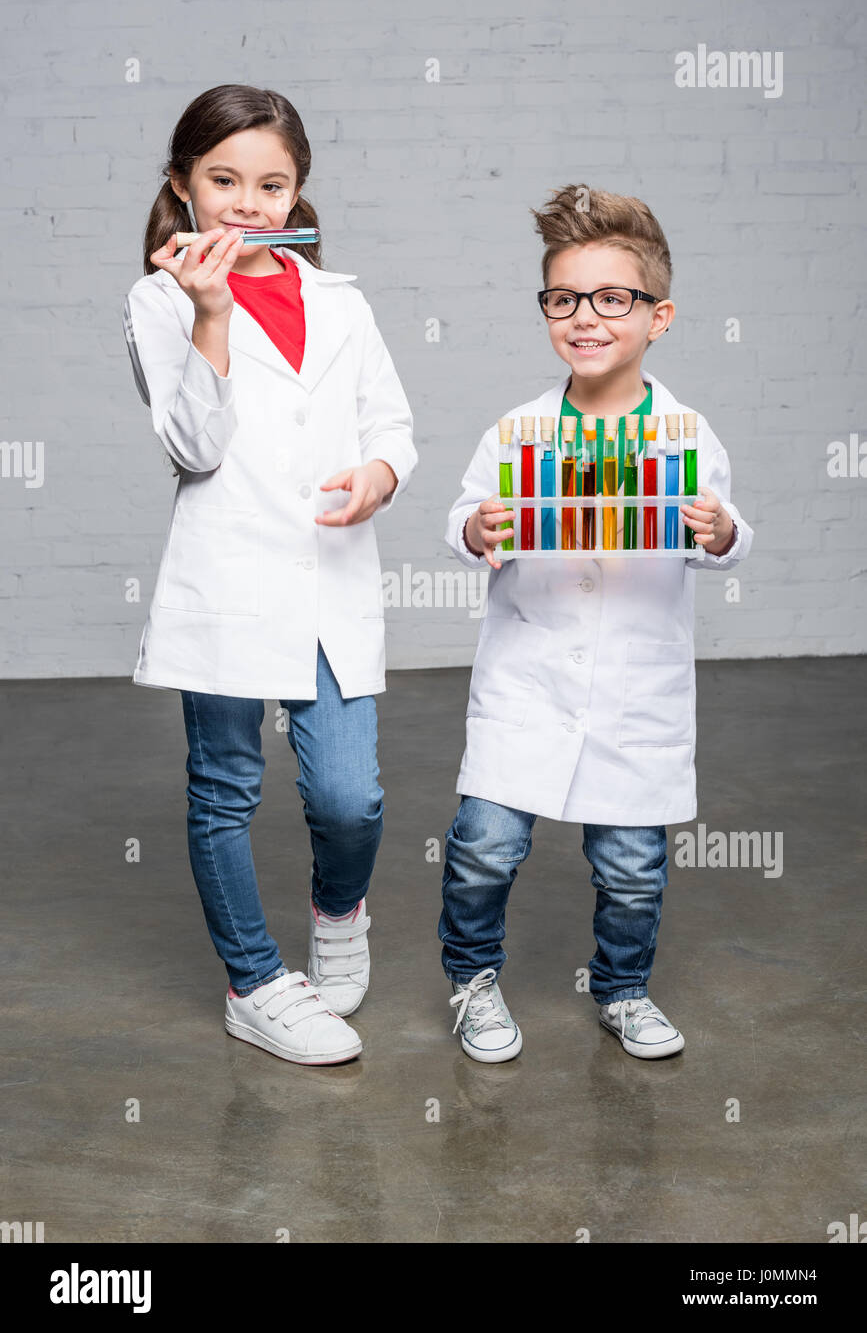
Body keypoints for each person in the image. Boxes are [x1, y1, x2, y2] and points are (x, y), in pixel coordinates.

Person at [121, 84, 417, 1066]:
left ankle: (339, 910)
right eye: (224, 180)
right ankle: (254, 982)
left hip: (331, 574)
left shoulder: (341, 298)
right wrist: (211, 310)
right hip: (229, 582)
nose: (248, 202)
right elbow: (195, 448)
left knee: (350, 798)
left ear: (297, 196)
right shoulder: (158, 301)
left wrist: (379, 473)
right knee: (225, 789)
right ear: (183, 184)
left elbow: (391, 424)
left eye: (272, 183)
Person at [441, 184, 754, 1063]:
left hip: (634, 693)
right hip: (526, 684)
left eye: (611, 300)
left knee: (630, 869)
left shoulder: (686, 432)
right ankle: (471, 980)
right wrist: (477, 529)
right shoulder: (518, 431)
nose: (584, 319)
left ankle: (621, 990)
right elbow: (464, 520)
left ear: (658, 317)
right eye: (563, 300)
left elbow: (724, 535)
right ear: (546, 310)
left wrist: (720, 531)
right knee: (483, 849)